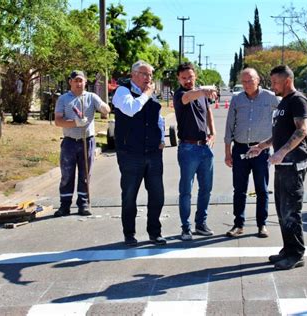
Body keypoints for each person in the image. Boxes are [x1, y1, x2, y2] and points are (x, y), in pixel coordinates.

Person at [246, 65, 307, 270]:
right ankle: (287, 249)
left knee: (292, 211)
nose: (272, 85)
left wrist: (282, 152)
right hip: (282, 164)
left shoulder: (298, 100)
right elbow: (281, 133)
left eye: (275, 82)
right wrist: (263, 146)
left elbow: (302, 131)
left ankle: (296, 254)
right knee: (282, 211)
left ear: (287, 81)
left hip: (293, 164)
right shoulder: (284, 102)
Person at [112, 60, 166, 247]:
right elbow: (131, 109)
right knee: (129, 196)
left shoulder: (151, 94)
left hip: (152, 153)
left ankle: (155, 232)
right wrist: (145, 95)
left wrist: (162, 139)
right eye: (144, 74)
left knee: (157, 195)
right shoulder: (122, 91)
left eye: (150, 75)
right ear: (133, 74)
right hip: (130, 154)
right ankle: (129, 234)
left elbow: (159, 118)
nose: (148, 78)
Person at [224, 68, 279, 238]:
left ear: (258, 80)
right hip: (240, 149)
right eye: (244, 81)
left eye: (250, 81)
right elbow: (229, 126)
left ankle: (261, 225)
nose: (247, 84)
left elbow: (286, 112)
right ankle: (238, 224)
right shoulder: (237, 99)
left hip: (261, 151)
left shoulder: (270, 98)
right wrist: (227, 152)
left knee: (261, 189)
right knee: (239, 189)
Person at [54, 70, 110, 217]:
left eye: (81, 80)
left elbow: (105, 109)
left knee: (85, 174)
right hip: (69, 142)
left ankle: (83, 203)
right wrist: (75, 123)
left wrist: (105, 108)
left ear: (85, 82)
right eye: (76, 81)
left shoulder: (91, 97)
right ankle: (64, 205)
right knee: (67, 174)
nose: (79, 83)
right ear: (70, 82)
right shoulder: (63, 99)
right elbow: (58, 121)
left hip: (87, 141)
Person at [174, 62, 217, 241]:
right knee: (186, 190)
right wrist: (204, 89)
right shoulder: (180, 95)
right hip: (188, 148)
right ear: (178, 79)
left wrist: (212, 132)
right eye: (184, 78)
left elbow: (208, 111)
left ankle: (201, 224)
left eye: (190, 77)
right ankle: (186, 227)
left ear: (195, 76)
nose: (187, 81)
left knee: (206, 189)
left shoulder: (201, 95)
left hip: (205, 148)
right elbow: (190, 96)